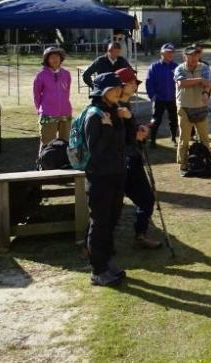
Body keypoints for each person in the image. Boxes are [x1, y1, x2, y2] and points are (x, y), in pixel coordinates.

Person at [81, 72, 128, 286]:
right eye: (113, 89)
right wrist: (108, 128)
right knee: (99, 223)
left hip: (116, 173)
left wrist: (126, 121)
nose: (118, 92)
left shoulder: (113, 111)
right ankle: (97, 270)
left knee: (111, 220)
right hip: (99, 176)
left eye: (119, 89)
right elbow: (96, 151)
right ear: (101, 92)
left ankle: (107, 261)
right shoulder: (94, 115)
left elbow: (123, 143)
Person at [114, 67, 163, 249]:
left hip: (131, 157)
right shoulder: (117, 107)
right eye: (131, 82)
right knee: (142, 200)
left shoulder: (126, 105)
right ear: (121, 85)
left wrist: (139, 130)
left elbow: (129, 132)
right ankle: (92, 245)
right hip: (125, 161)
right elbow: (118, 135)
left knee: (142, 200)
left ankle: (140, 235)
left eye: (135, 82)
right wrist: (137, 134)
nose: (135, 85)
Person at [175, 46, 211, 176]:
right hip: (184, 107)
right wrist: (200, 80)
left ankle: (207, 162)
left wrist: (206, 93)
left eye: (196, 55)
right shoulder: (180, 68)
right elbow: (181, 83)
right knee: (184, 138)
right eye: (191, 56)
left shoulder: (204, 68)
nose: (194, 58)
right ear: (185, 56)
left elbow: (209, 84)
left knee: (204, 138)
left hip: (201, 107)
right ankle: (183, 165)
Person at [33, 46, 72, 151]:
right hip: (47, 114)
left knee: (65, 142)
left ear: (61, 58)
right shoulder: (41, 75)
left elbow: (67, 92)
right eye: (52, 57)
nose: (55, 59)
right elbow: (36, 95)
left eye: (57, 57)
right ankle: (44, 165)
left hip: (65, 113)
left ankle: (63, 164)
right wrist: (40, 109)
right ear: (47, 60)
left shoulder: (66, 74)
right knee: (47, 143)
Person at [145, 43, 179, 147]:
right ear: (162, 53)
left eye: (171, 53)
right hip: (159, 99)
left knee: (174, 120)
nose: (170, 55)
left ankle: (173, 138)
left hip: (172, 99)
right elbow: (149, 82)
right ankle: (152, 140)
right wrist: (152, 96)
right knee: (156, 120)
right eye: (167, 52)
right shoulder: (154, 67)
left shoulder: (176, 67)